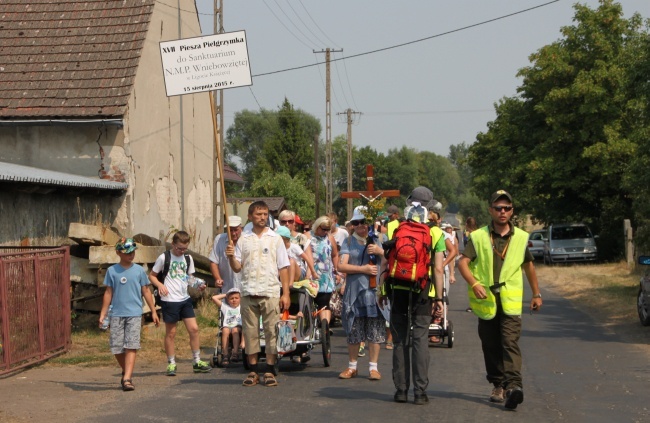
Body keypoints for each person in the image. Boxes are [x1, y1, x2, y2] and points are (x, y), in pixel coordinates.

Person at [457, 190, 543, 410]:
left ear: (512, 211)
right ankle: (498, 384)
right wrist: (474, 284)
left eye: (506, 208)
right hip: (486, 301)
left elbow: (528, 266)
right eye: (498, 208)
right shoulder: (478, 237)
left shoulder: (522, 237)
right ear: (490, 210)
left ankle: (514, 387)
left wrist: (536, 293)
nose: (502, 212)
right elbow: (462, 263)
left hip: (510, 301)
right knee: (490, 345)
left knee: (509, 342)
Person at [379, 186, 445, 405]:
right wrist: (439, 298)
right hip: (423, 291)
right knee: (420, 340)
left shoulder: (393, 227)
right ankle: (420, 392)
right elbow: (437, 269)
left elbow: (385, 262)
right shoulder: (435, 231)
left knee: (399, 340)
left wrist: (382, 289)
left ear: (409, 203)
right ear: (429, 206)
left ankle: (400, 390)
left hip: (397, 288)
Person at [226, 200, 291, 387]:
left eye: (265, 214)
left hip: (270, 291)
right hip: (248, 291)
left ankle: (270, 370)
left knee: (271, 331)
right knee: (250, 332)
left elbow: (284, 267)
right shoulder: (243, 239)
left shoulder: (275, 238)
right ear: (250, 216)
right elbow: (237, 268)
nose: (262, 217)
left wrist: (285, 293)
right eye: (258, 214)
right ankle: (253, 370)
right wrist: (230, 256)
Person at [99, 238, 160, 391]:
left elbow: (146, 291)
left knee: (131, 345)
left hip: (134, 313)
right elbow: (108, 292)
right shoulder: (112, 271)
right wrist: (103, 313)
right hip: (116, 314)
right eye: (127, 253)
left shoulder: (139, 271)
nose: (131, 255)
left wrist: (153, 311)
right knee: (117, 347)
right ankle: (126, 369)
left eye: (132, 252)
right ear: (118, 253)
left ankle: (127, 378)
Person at [149, 231, 211, 376]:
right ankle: (171, 363)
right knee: (171, 333)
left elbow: (188, 278)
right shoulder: (164, 257)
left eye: (184, 249)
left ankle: (196, 361)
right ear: (173, 244)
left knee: (194, 329)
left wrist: (198, 285)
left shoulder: (188, 258)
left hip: (184, 298)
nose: (181, 251)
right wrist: (160, 285)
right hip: (170, 300)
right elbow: (152, 276)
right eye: (179, 248)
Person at [338, 206, 385, 381]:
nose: (360, 226)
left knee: (375, 330)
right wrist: (363, 269)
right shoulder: (348, 242)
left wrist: (380, 252)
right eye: (356, 223)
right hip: (355, 293)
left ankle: (373, 368)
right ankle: (352, 366)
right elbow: (341, 266)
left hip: (373, 293)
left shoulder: (378, 240)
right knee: (354, 329)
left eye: (363, 222)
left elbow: (388, 261)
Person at [310, 215, 339, 327]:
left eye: (328, 229)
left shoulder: (330, 238)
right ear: (317, 226)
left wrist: (336, 269)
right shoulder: (307, 236)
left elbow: (335, 254)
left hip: (326, 276)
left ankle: (324, 327)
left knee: (324, 303)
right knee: (311, 302)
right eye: (323, 229)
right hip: (312, 274)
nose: (326, 232)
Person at [209, 215, 243, 293]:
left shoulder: (247, 240)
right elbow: (213, 262)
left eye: (236, 230)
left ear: (241, 228)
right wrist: (218, 279)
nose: (233, 233)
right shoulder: (219, 239)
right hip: (226, 288)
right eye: (230, 230)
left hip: (243, 288)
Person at [278, 210, 317, 279]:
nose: (287, 224)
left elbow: (309, 258)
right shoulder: (275, 236)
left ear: (294, 223)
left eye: (290, 221)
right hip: (280, 271)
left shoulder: (301, 238)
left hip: (298, 270)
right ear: (279, 222)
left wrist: (308, 276)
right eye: (284, 221)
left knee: (291, 262)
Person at [211, 287, 243, 365]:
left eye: (236, 298)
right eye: (231, 298)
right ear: (228, 300)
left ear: (240, 299)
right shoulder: (226, 307)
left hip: (238, 327)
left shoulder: (241, 307)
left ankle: (235, 352)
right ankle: (225, 354)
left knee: (235, 330)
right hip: (228, 327)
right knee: (225, 330)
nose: (234, 300)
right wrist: (226, 295)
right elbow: (214, 298)